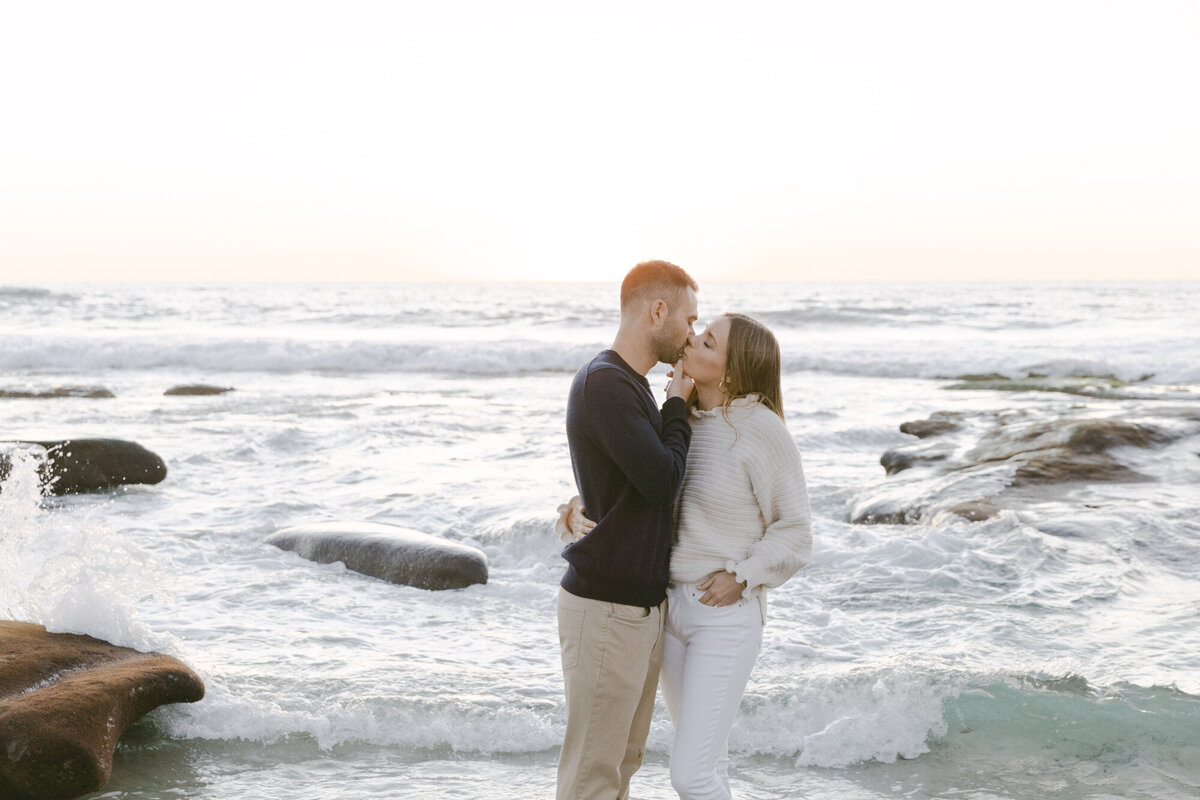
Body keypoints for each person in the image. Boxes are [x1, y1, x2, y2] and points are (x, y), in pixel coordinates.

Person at [560, 312, 811, 800]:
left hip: (724, 618)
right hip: (666, 612)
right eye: (699, 330)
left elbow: (796, 532)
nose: (691, 339)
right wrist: (573, 508)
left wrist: (744, 575)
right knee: (706, 766)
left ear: (732, 370)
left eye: (708, 341)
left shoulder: (762, 430)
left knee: (690, 775)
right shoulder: (680, 419)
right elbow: (638, 489)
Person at [556, 260, 699, 800]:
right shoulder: (606, 384)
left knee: (622, 766)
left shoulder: (629, 386)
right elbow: (663, 480)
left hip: (638, 610)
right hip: (606, 610)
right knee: (592, 777)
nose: (691, 333)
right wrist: (679, 404)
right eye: (688, 319)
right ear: (656, 310)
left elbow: (616, 488)